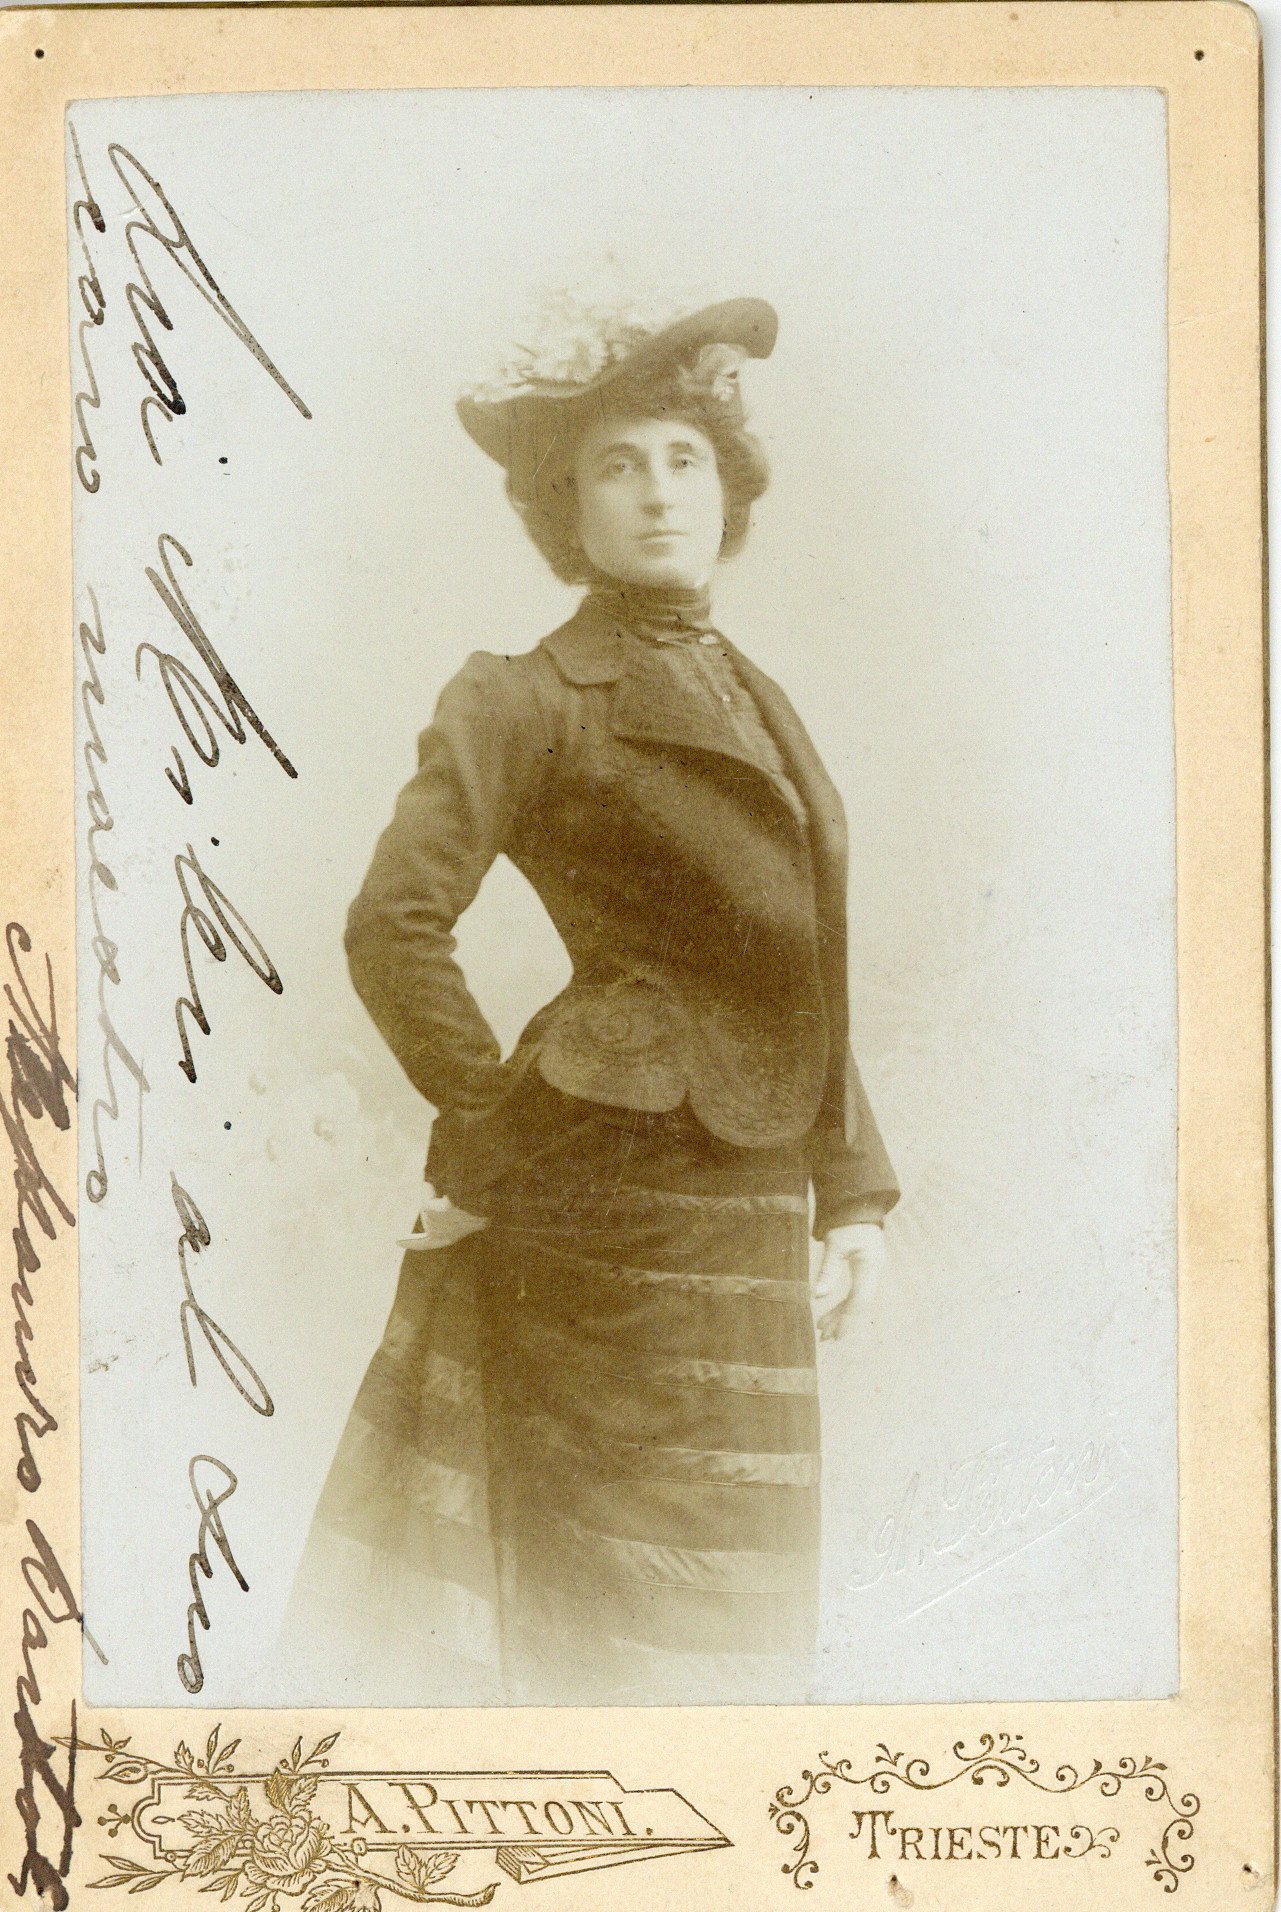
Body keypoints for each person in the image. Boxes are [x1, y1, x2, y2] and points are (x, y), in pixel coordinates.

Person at [290, 293, 899, 1706]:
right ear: (567, 506)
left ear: (727, 486)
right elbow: (392, 926)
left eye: (685, 459)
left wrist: (853, 1190)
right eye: (617, 465)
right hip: (603, 1211)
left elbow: (791, 972)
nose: (658, 493)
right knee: (619, 1607)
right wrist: (495, 1134)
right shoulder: (526, 696)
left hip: (750, 1207)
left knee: (740, 1596)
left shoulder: (756, 694)